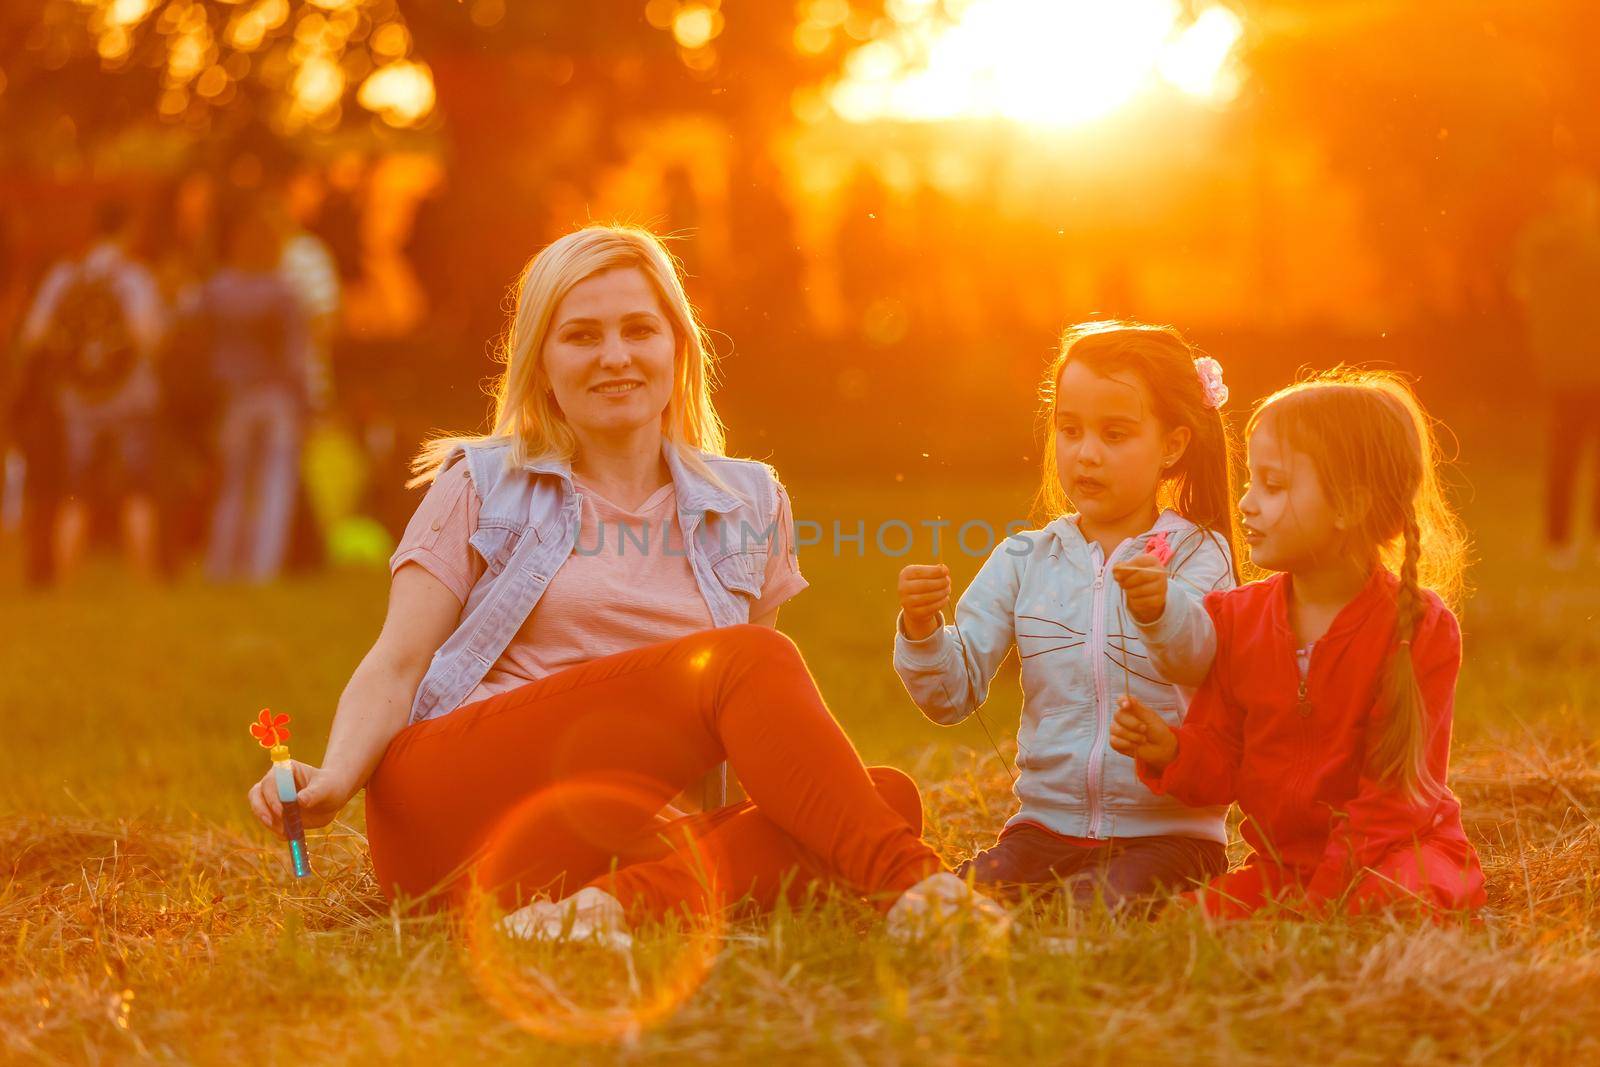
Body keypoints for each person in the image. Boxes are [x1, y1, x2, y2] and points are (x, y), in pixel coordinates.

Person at [247, 225, 1004, 946]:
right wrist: (336, 777)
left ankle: (607, 909)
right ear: (539, 358)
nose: (616, 356)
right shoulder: (483, 482)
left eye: (639, 329)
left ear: (678, 345)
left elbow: (758, 728)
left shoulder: (750, 501)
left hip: (615, 835)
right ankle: (921, 890)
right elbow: (397, 662)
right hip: (453, 816)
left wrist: (773, 815)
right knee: (748, 664)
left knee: (881, 799)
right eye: (582, 335)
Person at [1111, 369, 1485, 918]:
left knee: (1399, 899)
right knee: (1180, 922)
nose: (1246, 504)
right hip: (1282, 868)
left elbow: (1394, 803)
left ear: (1348, 507)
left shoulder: (1419, 628)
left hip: (1395, 855)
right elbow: (1224, 755)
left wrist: (1318, 905)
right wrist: (1173, 751)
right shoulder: (1235, 619)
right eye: (1251, 481)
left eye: (1274, 485)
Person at [894, 322, 1239, 908]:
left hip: (1169, 834)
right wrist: (923, 631)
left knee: (1094, 906)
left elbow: (1201, 659)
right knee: (951, 902)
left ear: (1173, 446)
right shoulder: (1025, 558)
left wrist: (1161, 608)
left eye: (1115, 433)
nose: (1086, 453)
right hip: (1043, 832)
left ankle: (1088, 906)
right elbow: (952, 696)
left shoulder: (1197, 552)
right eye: (1070, 429)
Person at [18, 200, 166, 581]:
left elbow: (33, 335)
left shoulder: (66, 275)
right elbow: (148, 337)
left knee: (75, 489)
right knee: (137, 488)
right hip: (131, 393)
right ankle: (143, 576)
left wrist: (74, 355)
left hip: (77, 395)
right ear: (129, 228)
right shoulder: (134, 278)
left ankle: (66, 578)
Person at [192, 204, 312, 582]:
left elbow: (200, 341)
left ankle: (221, 564)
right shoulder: (282, 292)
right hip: (276, 396)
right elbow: (296, 356)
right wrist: (307, 402)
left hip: (233, 395)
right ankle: (262, 569)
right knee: (275, 483)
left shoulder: (216, 289)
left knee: (232, 483)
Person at [1512, 170, 1600, 569]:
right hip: (1584, 369)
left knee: (1562, 458)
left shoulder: (1540, 246)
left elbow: (1523, 290)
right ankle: (1592, 538)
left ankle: (1558, 541)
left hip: (1560, 370)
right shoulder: (1587, 246)